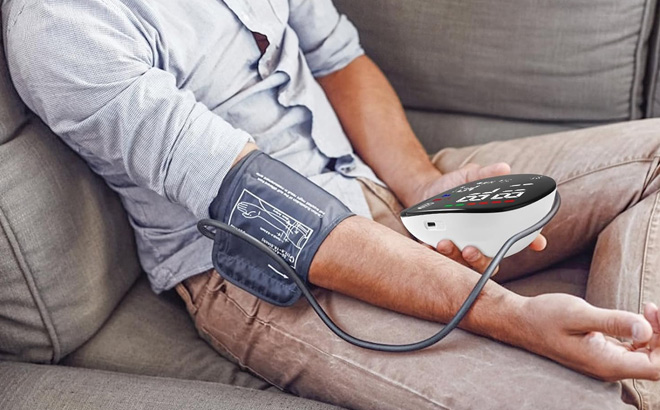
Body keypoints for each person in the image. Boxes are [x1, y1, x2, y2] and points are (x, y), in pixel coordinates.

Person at [3, 0, 659, 408]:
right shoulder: (62, 27)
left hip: (374, 181)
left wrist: (421, 186)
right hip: (269, 268)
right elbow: (270, 205)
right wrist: (514, 316)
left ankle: (631, 347)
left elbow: (337, 58)